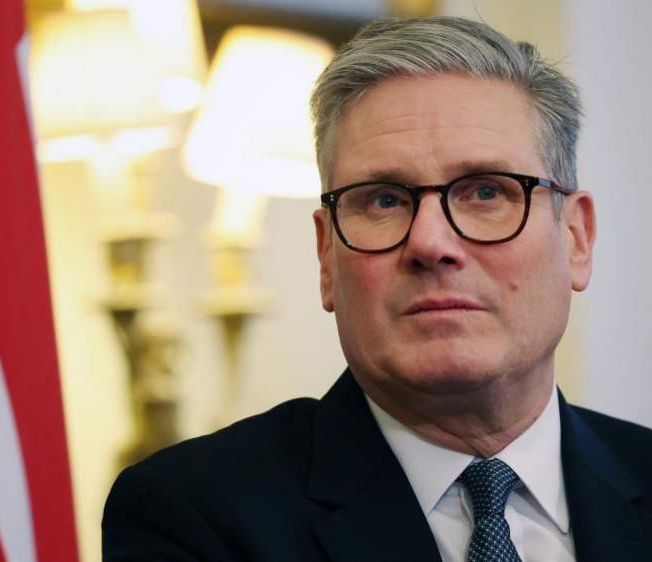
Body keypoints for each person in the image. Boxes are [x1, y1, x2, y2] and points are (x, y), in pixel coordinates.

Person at [102, 16, 652, 562]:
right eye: (384, 200)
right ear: (326, 257)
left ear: (576, 238)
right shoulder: (191, 516)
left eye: (486, 191)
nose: (430, 243)